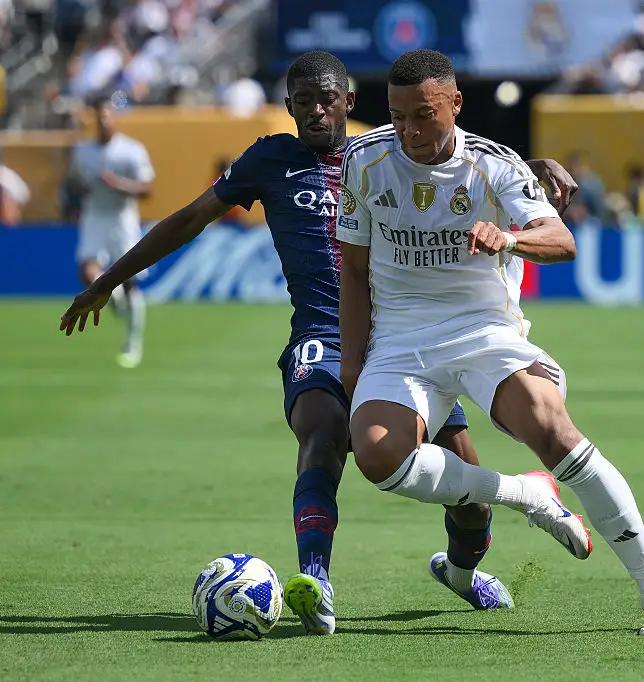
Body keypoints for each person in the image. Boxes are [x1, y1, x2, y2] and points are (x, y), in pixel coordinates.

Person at [59, 51, 588, 636]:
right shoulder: (269, 160)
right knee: (322, 428)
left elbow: (465, 155)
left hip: (409, 337)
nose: (315, 111)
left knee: (469, 501)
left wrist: (532, 163)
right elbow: (188, 218)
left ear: (347, 103)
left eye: (326, 100)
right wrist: (108, 280)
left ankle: (462, 573)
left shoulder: (384, 152)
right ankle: (316, 581)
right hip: (322, 331)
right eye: (302, 102)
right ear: (287, 108)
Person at [337, 49, 644, 637]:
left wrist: (508, 237)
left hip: (482, 329)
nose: (409, 131)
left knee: (551, 427)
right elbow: (353, 269)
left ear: (455, 104)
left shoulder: (494, 166)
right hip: (400, 337)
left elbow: (560, 238)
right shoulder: (366, 159)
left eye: (424, 115)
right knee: (376, 456)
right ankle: (522, 492)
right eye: (398, 116)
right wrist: (354, 365)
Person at [67, 96, 155, 368]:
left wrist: (117, 184)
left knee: (129, 281)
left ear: (115, 118)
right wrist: (79, 189)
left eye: (107, 115)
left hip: (122, 218)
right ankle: (112, 299)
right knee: (87, 271)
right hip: (95, 215)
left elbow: (147, 188)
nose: (103, 121)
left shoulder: (131, 150)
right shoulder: (82, 151)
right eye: (99, 116)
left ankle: (133, 341)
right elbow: (73, 182)